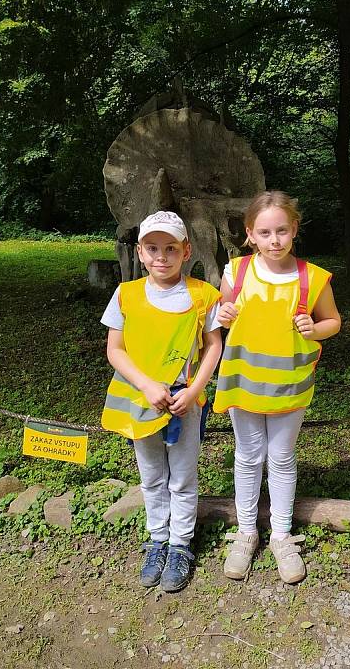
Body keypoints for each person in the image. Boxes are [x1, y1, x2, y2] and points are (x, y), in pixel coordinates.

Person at [214, 191, 341, 583]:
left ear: (294, 230)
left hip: (290, 386)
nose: (274, 240)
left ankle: (282, 536)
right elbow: (220, 317)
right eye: (265, 232)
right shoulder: (235, 271)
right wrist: (222, 312)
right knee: (249, 456)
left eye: (281, 231)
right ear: (250, 234)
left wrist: (315, 328)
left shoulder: (313, 277)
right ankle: (247, 532)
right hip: (245, 385)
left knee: (282, 457)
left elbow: (333, 321)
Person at [100, 211, 222, 592]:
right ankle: (158, 538)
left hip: (185, 401)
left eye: (171, 248)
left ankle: (181, 544)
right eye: (152, 248)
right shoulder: (127, 294)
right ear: (140, 252)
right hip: (142, 402)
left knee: (183, 477)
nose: (161, 256)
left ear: (186, 251)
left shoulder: (204, 295)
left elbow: (214, 345)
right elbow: (115, 350)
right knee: (152, 476)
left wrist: (194, 390)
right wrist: (148, 386)